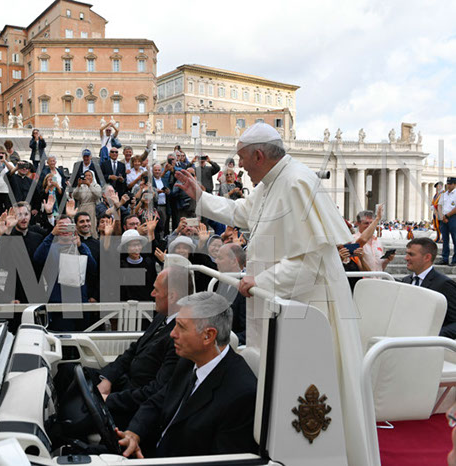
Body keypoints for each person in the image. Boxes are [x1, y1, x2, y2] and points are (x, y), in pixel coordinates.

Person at [174, 122, 371, 465]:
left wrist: (260, 281)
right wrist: (201, 197)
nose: (240, 166)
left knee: (308, 391)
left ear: (259, 155)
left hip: (307, 308)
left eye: (242, 158)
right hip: (280, 303)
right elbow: (241, 213)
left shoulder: (296, 182)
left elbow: (308, 263)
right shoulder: (270, 183)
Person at [116, 291, 257, 459]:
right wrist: (134, 433)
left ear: (208, 336)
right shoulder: (189, 360)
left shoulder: (241, 395)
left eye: (181, 327)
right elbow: (157, 402)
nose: (172, 333)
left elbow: (222, 461)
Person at [95, 267, 192, 429]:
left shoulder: (180, 337)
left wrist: (109, 400)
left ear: (172, 296)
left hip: (133, 404)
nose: (152, 294)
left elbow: (156, 391)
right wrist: (108, 378)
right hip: (123, 384)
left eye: (156, 290)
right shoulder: (162, 316)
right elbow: (134, 350)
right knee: (70, 372)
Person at [33, 216, 97, 327]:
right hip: (59, 303)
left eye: (68, 226)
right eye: (61, 227)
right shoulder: (50, 246)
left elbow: (92, 268)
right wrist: (51, 235)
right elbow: (37, 258)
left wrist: (80, 247)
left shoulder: (82, 246)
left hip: (80, 302)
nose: (65, 230)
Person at [402, 237, 456, 338]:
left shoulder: (444, 284)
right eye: (407, 253)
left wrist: (432, 334)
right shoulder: (406, 281)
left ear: (427, 257)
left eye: (411, 254)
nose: (406, 258)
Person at [119, 230, 157, 302]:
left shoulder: (149, 263)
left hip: (147, 303)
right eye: (133, 245)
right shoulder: (121, 265)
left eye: (138, 245)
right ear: (126, 247)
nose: (136, 248)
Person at [73, 170, 101, 235]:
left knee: (92, 226)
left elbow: (98, 195)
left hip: (92, 208)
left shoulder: (96, 186)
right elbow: (75, 196)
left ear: (92, 177)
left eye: (89, 175)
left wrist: (89, 185)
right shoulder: (81, 187)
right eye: (86, 175)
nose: (87, 177)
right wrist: (78, 186)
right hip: (82, 207)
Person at [441, 177, 456, 264]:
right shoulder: (444, 194)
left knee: (455, 239)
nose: (448, 185)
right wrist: (442, 216)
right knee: (445, 239)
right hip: (444, 218)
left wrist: (447, 215)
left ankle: (455, 260)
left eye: (450, 184)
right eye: (447, 183)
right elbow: (440, 206)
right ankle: (445, 258)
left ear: (455, 184)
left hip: (453, 217)